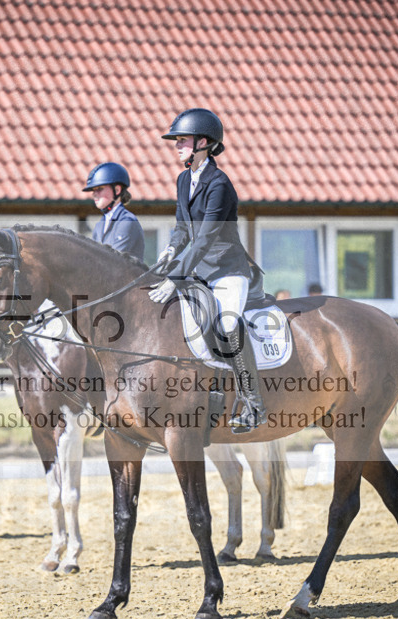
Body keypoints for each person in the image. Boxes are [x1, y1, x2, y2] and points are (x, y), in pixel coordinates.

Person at [148, 108, 265, 433]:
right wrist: (172, 248)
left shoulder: (220, 184)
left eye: (182, 140)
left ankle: (254, 405)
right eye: (177, 141)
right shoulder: (184, 179)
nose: (177, 146)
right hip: (199, 273)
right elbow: (184, 229)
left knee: (227, 326)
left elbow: (204, 238)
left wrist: (175, 278)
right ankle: (210, 403)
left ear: (203, 143)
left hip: (228, 272)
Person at [83, 162, 145, 260]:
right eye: (93, 190)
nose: (94, 194)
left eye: (99, 189)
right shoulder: (99, 225)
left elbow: (113, 261)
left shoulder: (127, 222)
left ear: (117, 190)